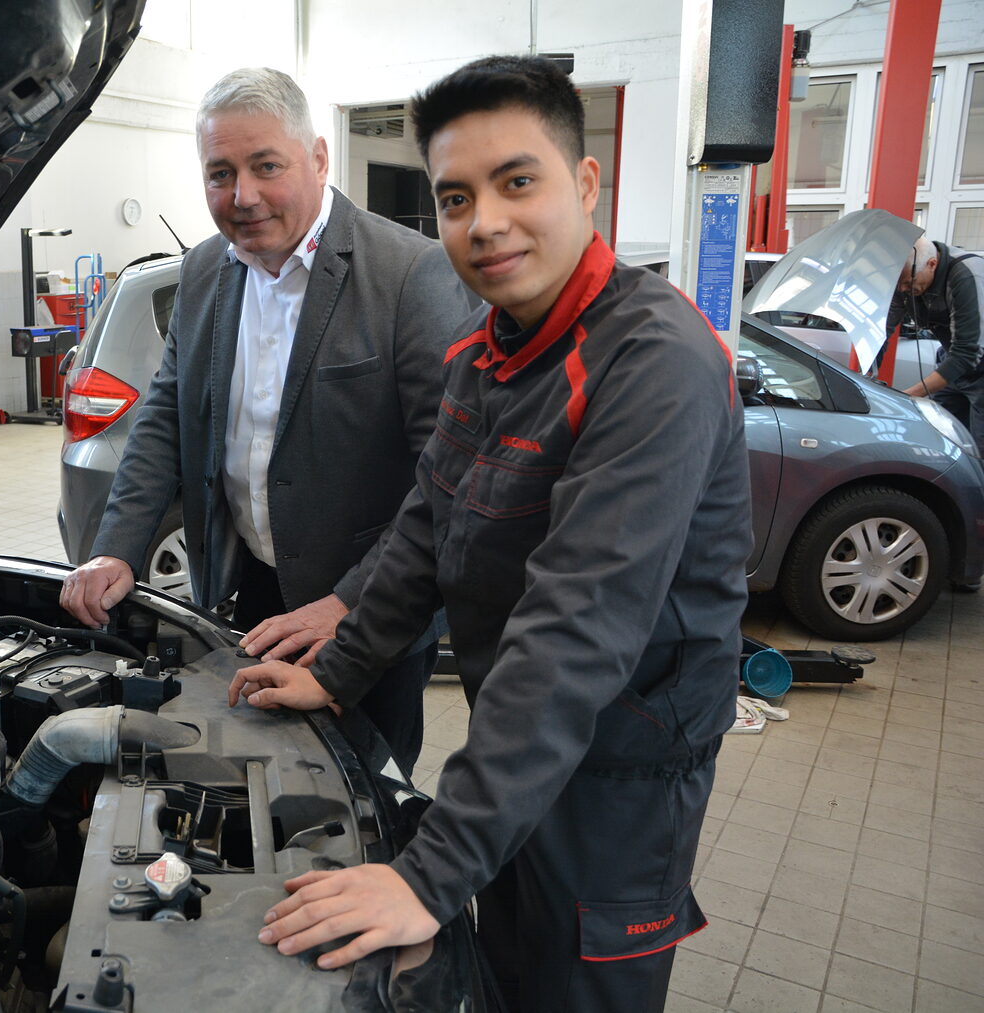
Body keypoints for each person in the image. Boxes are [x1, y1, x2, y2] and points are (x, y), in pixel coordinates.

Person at [228, 55, 751, 1012]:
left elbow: (576, 628)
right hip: (522, 747)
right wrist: (338, 668)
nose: (485, 223)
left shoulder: (655, 363)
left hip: (618, 782)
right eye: (456, 198)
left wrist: (430, 873)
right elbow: (428, 527)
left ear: (585, 183)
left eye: (517, 182)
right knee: (504, 973)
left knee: (574, 990)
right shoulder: (489, 348)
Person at [59, 68, 474, 775]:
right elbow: (165, 416)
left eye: (266, 167)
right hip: (249, 585)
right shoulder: (203, 272)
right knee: (254, 775)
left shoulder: (411, 276)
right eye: (220, 173)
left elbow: (449, 481)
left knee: (361, 788)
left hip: (368, 605)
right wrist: (116, 548)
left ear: (318, 158)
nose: (242, 195)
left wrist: (348, 603)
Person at [891, 236, 984, 450]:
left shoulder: (966, 275)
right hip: (953, 364)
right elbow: (884, 327)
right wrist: (867, 372)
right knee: (942, 437)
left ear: (932, 264)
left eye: (908, 283)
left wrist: (910, 395)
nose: (903, 289)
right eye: (899, 284)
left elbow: (967, 352)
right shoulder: (906, 279)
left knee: (980, 450)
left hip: (975, 362)